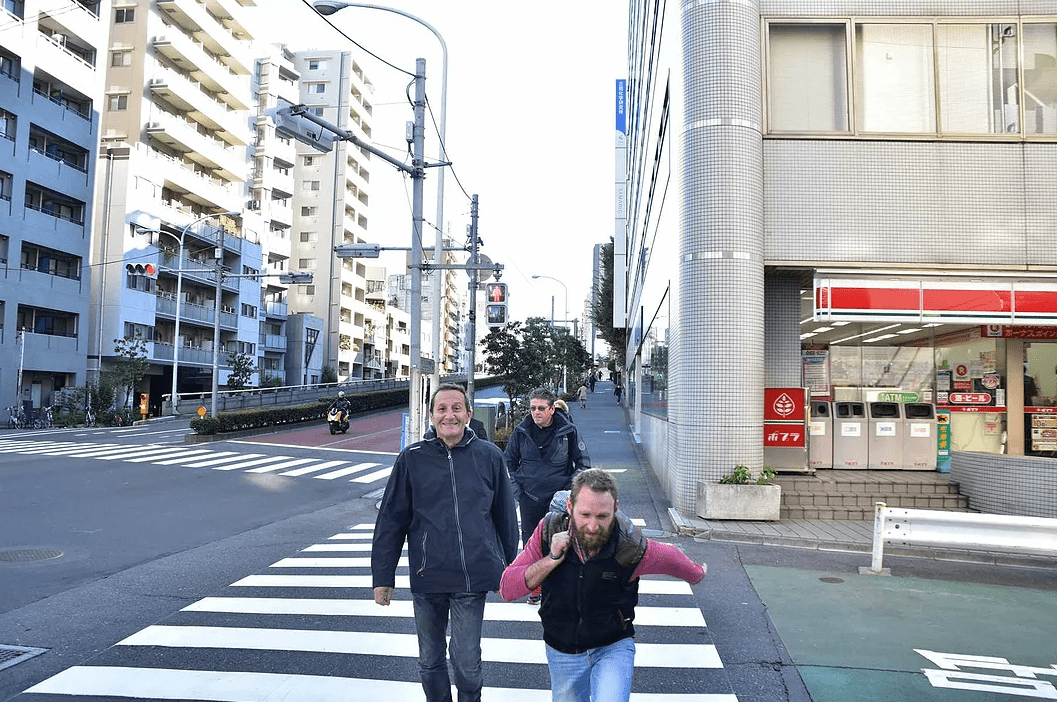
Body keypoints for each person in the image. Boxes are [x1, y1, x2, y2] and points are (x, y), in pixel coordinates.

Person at [500, 469, 706, 702]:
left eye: (602, 516)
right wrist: (552, 559)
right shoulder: (548, 532)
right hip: (563, 649)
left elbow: (669, 557)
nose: (592, 526)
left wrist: (696, 573)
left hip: (612, 646)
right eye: (585, 514)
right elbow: (508, 588)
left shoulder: (629, 545)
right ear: (570, 507)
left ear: (615, 509)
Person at [373, 383, 519, 702]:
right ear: (431, 415)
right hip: (428, 576)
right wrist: (383, 577)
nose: (449, 415)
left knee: (467, 665)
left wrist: (508, 569)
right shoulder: (411, 459)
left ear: (468, 414)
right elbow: (391, 520)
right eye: (442, 408)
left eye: (456, 408)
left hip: (473, 576)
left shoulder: (490, 456)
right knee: (430, 661)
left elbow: (506, 518)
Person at [505, 388, 592, 603]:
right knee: (530, 545)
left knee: (561, 543)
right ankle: (535, 588)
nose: (536, 412)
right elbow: (508, 463)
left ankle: (558, 588)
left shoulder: (568, 431)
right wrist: (519, 492)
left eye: (541, 408)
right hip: (529, 498)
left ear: (552, 409)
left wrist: (568, 494)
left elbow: (582, 465)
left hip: (559, 501)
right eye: (533, 408)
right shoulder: (521, 431)